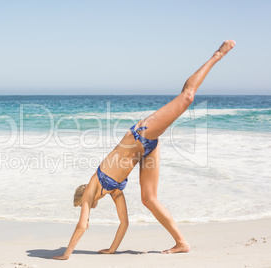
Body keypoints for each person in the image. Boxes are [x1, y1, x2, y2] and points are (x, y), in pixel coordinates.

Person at [53, 40, 235, 260]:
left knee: (187, 97)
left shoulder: (93, 184)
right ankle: (181, 242)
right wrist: (111, 250)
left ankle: (217, 55)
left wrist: (66, 254)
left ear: (83, 198)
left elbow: (82, 225)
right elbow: (124, 223)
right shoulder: (114, 191)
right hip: (146, 151)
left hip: (141, 134)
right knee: (148, 199)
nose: (85, 207)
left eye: (82, 205)